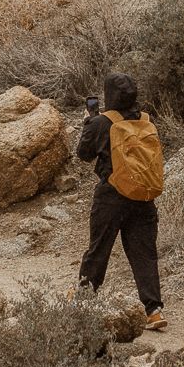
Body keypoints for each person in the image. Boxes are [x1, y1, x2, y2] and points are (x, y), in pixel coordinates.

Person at [75, 73, 167, 331]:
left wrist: (89, 123)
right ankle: (154, 311)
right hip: (143, 196)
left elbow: (83, 154)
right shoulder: (147, 121)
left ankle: (82, 304)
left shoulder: (102, 123)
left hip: (111, 196)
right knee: (144, 255)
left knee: (99, 249)